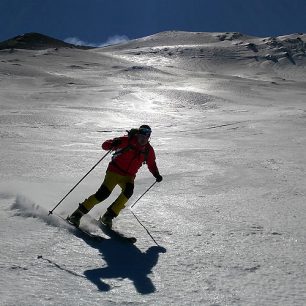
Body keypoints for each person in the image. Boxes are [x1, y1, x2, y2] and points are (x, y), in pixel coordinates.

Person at [67, 125, 163, 228]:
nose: (144, 138)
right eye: (142, 135)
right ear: (138, 134)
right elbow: (104, 145)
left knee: (128, 192)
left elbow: (151, 164)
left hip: (129, 176)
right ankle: (77, 214)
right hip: (114, 171)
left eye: (147, 136)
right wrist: (113, 143)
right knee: (103, 194)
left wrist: (156, 174)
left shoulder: (148, 150)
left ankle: (108, 216)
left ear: (149, 137)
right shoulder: (127, 140)